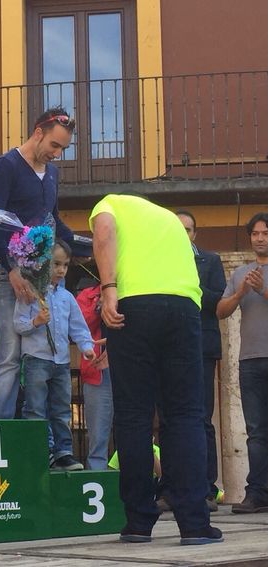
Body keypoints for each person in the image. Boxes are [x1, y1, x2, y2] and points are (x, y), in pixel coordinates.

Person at [90, 193, 223, 545]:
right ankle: (195, 523)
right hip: (183, 308)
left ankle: (137, 522)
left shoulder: (109, 204)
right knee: (184, 415)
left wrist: (108, 289)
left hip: (133, 305)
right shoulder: (168, 220)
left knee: (134, 415)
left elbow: (103, 233)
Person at [0, 107, 85, 419]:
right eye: (54, 145)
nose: (57, 154)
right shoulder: (7, 165)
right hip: (11, 273)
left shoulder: (52, 173)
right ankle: (0, 431)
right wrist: (11, 269)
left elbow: (52, 220)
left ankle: (44, 439)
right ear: (38, 132)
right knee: (9, 357)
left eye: (64, 149)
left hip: (45, 274)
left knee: (44, 359)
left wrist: (86, 245)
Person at [13, 241, 94, 471]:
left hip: (61, 361)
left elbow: (77, 326)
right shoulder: (29, 292)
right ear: (43, 264)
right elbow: (18, 324)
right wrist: (36, 322)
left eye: (66, 265)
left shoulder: (67, 297)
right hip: (36, 358)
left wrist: (86, 346)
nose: (61, 270)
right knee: (36, 408)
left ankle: (63, 452)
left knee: (61, 408)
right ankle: (41, 450)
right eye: (56, 264)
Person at [167, 210, 226, 511]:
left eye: (188, 230)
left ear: (195, 233)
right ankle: (171, 488)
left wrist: (187, 287)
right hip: (170, 348)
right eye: (178, 230)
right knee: (168, 418)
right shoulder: (162, 260)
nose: (184, 234)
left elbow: (216, 299)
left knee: (202, 418)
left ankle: (206, 489)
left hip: (201, 346)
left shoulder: (211, 261)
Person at [217, 212, 268, 513]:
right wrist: (240, 292)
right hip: (250, 361)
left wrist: (262, 289)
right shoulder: (240, 273)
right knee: (256, 431)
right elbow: (221, 311)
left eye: (265, 232)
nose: (260, 238)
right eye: (255, 234)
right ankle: (257, 492)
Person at [76, 283, 113, 470]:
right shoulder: (87, 294)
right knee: (97, 434)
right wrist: (98, 307)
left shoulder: (133, 289)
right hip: (97, 370)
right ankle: (98, 478)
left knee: (135, 427)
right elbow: (77, 326)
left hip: (129, 367)